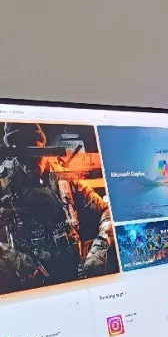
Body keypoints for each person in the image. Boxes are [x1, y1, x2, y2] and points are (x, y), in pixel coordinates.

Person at [0, 122, 117, 293]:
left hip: (73, 276)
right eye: (19, 150)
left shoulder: (66, 178)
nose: (28, 161)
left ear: (42, 144)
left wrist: (99, 250)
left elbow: (107, 211)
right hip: (27, 284)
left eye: (32, 148)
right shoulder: (4, 184)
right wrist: (15, 259)